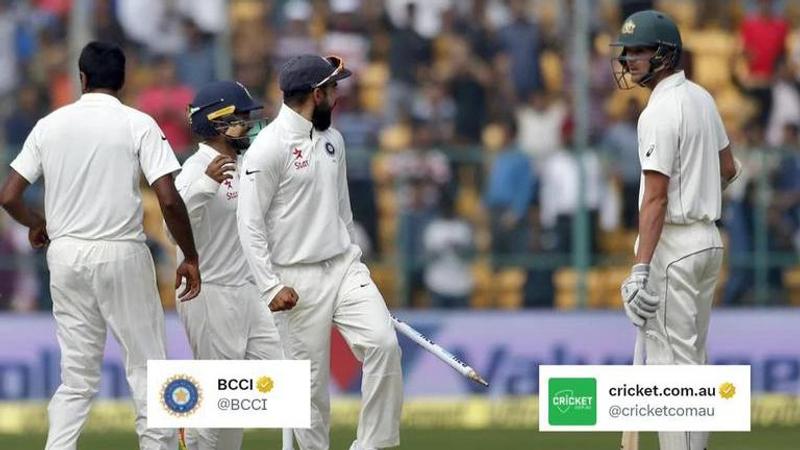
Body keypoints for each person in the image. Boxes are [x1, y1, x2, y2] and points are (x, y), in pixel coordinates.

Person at [0, 41, 200, 450]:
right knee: (147, 366)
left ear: (82, 78)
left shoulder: (49, 125)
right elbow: (167, 196)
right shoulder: (137, 123)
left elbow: (8, 197)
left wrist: (38, 224)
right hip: (120, 250)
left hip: (66, 254)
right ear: (123, 81)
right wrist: (191, 255)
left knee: (76, 377)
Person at [237, 55, 402, 450]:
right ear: (316, 94)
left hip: (343, 267)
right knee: (308, 394)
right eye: (333, 88)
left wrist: (355, 262)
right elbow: (249, 223)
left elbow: (342, 211)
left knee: (384, 345)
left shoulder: (334, 140)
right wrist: (270, 286)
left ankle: (371, 445)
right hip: (295, 280)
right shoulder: (268, 148)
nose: (337, 95)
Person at [611, 11, 741, 450]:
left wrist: (641, 269)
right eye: (627, 52)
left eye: (638, 51)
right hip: (707, 241)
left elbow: (656, 198)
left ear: (664, 55)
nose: (628, 60)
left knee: (673, 373)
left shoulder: (659, 111)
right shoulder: (702, 98)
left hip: (674, 246)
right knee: (691, 364)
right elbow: (728, 167)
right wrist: (700, 188)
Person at [175, 80, 283, 450]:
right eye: (242, 119)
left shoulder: (247, 165)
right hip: (209, 293)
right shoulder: (194, 170)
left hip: (249, 292)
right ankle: (193, 428)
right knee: (222, 401)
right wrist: (205, 187)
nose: (252, 127)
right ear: (218, 124)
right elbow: (174, 231)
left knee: (282, 381)